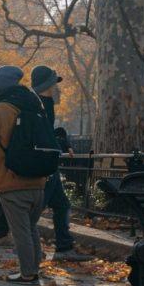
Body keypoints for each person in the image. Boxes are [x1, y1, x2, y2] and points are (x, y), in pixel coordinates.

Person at [0, 65, 48, 283]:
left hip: (10, 180)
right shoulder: (35, 105)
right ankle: (34, 269)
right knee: (31, 228)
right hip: (38, 180)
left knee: (20, 231)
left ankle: (27, 273)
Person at [31, 65, 89, 261]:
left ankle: (64, 247)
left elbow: (49, 132)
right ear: (47, 85)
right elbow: (41, 135)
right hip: (44, 164)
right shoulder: (39, 105)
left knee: (61, 205)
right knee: (36, 209)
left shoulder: (44, 103)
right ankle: (28, 250)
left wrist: (63, 140)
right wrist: (61, 142)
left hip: (49, 164)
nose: (57, 88)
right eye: (54, 84)